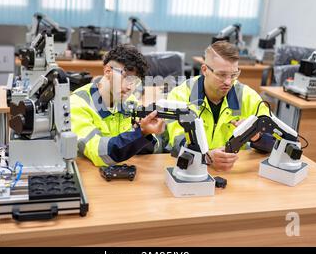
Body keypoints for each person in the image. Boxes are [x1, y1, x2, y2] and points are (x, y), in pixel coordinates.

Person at [167, 41, 274, 171]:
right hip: (191, 170)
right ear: (205, 70)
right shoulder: (181, 95)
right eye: (221, 75)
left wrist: (256, 136)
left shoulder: (249, 97)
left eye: (234, 75)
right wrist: (205, 158)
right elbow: (178, 142)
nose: (228, 82)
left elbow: (273, 142)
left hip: (234, 171)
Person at [70, 44, 165, 166]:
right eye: (126, 77)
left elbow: (155, 146)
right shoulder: (77, 104)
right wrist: (140, 133)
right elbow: (99, 153)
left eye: (135, 81)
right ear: (108, 71)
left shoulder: (129, 101)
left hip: (119, 174)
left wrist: (146, 133)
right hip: (87, 176)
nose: (130, 86)